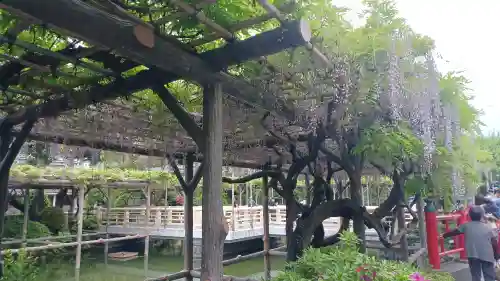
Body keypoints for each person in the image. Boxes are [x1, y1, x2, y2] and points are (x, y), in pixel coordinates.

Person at [443, 206, 499, 281]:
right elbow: (494, 242)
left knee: (475, 275)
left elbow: (455, 232)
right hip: (487, 255)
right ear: (482, 216)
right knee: (489, 275)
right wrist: (496, 255)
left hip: (473, 254)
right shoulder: (488, 227)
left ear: (469, 215)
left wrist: (444, 235)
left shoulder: (466, 225)